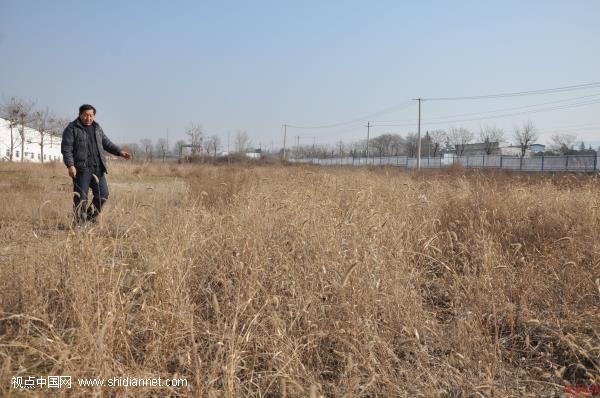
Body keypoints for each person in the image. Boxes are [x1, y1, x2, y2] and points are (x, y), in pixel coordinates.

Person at [61, 104, 131, 226]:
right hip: (81, 169)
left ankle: (89, 217)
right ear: (80, 115)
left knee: (103, 194)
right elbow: (66, 149)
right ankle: (79, 225)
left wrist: (119, 152)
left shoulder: (97, 128)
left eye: (91, 115)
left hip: (98, 168)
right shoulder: (72, 128)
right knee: (81, 198)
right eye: (86, 115)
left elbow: (106, 143)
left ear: (94, 116)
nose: (88, 118)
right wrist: (70, 165)